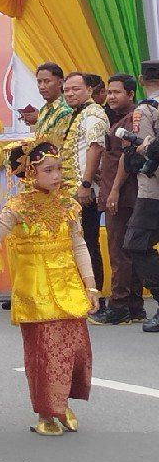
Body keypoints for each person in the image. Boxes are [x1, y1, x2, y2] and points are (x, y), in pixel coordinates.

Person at [0, 138, 95, 435]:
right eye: (48, 170)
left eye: (58, 169)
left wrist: (91, 287)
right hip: (35, 293)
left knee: (73, 351)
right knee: (44, 355)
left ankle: (62, 404)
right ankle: (46, 414)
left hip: (69, 289)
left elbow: (79, 245)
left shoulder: (68, 204)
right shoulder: (17, 207)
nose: (56, 176)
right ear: (31, 173)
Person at [92, 75, 150, 325]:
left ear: (130, 93)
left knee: (119, 250)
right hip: (122, 192)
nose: (111, 97)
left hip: (124, 194)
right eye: (109, 92)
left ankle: (118, 305)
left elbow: (127, 158)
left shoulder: (132, 119)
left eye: (117, 92)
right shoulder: (118, 119)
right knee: (130, 249)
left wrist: (113, 190)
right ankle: (135, 306)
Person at [61, 72, 110, 313]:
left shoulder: (93, 113)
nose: (70, 93)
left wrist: (86, 183)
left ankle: (96, 299)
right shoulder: (78, 114)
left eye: (76, 89)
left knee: (88, 243)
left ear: (89, 90)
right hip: (73, 191)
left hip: (84, 191)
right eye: (67, 90)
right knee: (78, 242)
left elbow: (95, 148)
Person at [124, 60, 159, 333]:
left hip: (153, 191)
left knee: (136, 244)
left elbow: (144, 148)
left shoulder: (146, 109)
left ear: (139, 79)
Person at [23, 63, 72, 136]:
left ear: (60, 83)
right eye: (39, 82)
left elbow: (56, 143)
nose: (41, 87)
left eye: (47, 81)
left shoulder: (66, 110)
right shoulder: (44, 109)